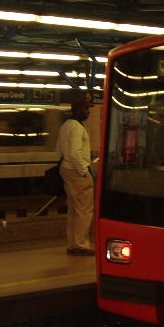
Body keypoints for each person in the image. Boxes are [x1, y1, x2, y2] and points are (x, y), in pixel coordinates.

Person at [56, 97, 95, 256]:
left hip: (66, 169)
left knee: (73, 209)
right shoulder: (77, 127)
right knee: (84, 210)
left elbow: (59, 150)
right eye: (86, 109)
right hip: (77, 172)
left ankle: (72, 244)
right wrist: (83, 170)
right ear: (77, 110)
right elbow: (74, 153)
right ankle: (81, 244)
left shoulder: (65, 125)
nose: (88, 112)